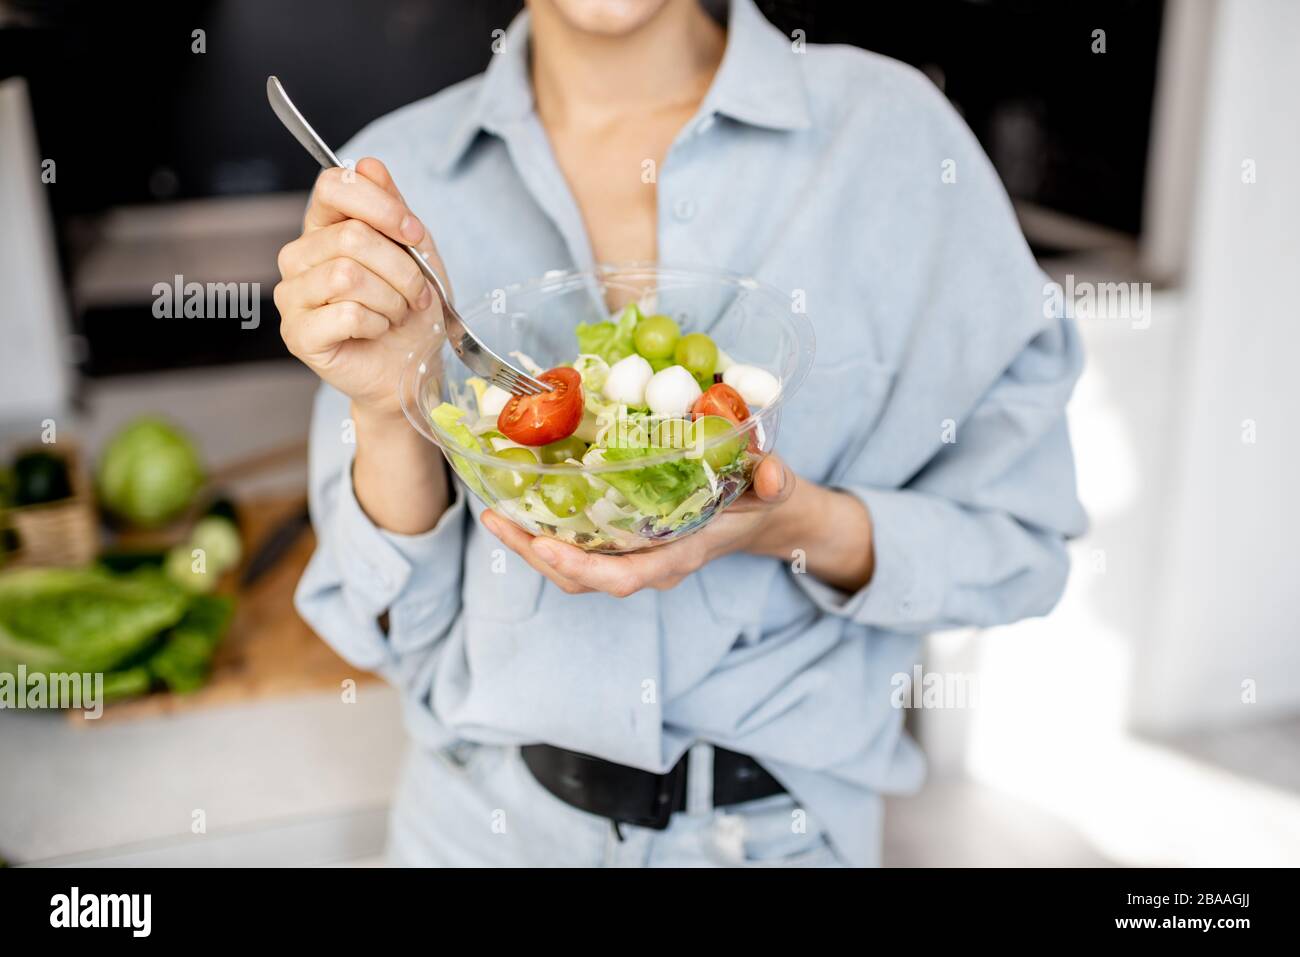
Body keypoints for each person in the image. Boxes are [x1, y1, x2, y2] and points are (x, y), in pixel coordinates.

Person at [274, 0, 1086, 867]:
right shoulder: (396, 186)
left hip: (779, 839)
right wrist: (387, 408)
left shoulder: (893, 137)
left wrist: (797, 524)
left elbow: (1022, 546)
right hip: (480, 831)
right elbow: (391, 631)